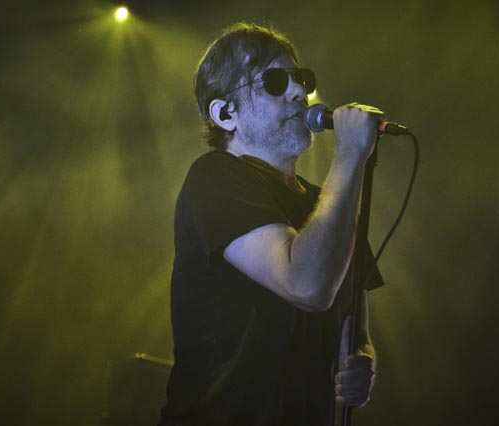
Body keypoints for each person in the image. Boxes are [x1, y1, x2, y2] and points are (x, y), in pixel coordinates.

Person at [158, 22, 384, 426]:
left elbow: (354, 326)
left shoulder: (325, 203)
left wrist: (363, 361)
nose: (299, 91)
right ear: (225, 113)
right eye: (275, 81)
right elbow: (307, 285)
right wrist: (350, 156)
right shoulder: (213, 178)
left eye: (302, 79)